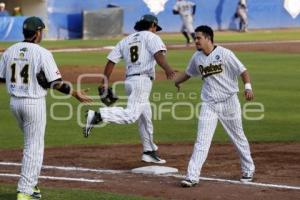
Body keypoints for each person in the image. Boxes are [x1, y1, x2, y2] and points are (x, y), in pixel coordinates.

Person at [0, 16, 92, 200]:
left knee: (30, 143)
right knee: (33, 147)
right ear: (36, 33)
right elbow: (56, 84)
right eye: (41, 31)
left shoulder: (9, 51)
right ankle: (25, 192)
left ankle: (32, 186)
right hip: (33, 104)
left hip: (14, 104)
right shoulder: (42, 53)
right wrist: (75, 93)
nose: (42, 34)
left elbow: (2, 79)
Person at [83, 14, 176, 164]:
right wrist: (168, 69)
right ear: (152, 25)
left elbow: (111, 61)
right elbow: (158, 55)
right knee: (131, 115)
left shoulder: (126, 40)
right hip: (142, 82)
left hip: (130, 81)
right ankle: (98, 115)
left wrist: (104, 82)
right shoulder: (151, 37)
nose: (156, 31)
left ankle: (149, 151)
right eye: (155, 28)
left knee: (145, 118)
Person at [174, 25, 255, 187]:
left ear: (208, 38)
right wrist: (177, 81)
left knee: (238, 137)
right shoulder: (196, 57)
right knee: (202, 140)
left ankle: (248, 169)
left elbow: (243, 71)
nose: (195, 40)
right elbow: (189, 73)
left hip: (229, 102)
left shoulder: (225, 54)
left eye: (198, 38)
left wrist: (247, 87)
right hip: (209, 104)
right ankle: (192, 176)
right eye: (195, 38)